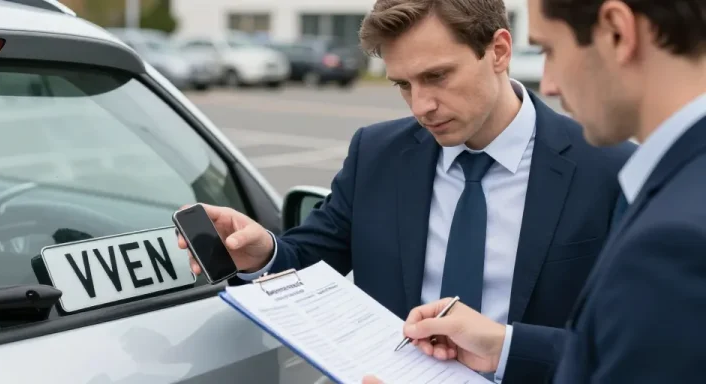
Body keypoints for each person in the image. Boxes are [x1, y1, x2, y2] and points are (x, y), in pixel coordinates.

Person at [181, 0, 633, 381]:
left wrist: (508, 349)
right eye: (403, 85)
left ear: (498, 51)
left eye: (437, 77)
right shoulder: (376, 153)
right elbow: (315, 259)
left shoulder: (609, 169)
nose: (421, 106)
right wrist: (262, 253)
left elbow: (633, 343)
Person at [363, 0, 706, 383]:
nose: (549, 84)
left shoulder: (675, 233)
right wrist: (503, 347)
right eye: (404, 85)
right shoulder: (678, 187)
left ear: (617, 31)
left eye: (550, 50)